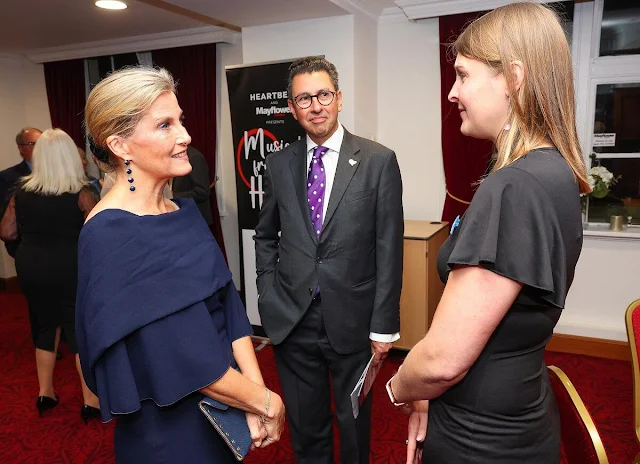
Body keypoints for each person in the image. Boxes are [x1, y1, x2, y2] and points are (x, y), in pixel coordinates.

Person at [386, 3, 591, 463]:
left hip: (480, 436)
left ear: (513, 78)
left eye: (463, 75)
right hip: (519, 412)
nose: (453, 93)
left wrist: (399, 386)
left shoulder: (513, 184)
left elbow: (442, 361)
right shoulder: (555, 174)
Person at [77, 66, 285, 463]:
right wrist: (267, 402)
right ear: (120, 145)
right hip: (168, 431)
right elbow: (181, 356)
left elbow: (230, 309)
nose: (185, 135)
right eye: (165, 125)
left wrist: (254, 397)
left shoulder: (181, 211)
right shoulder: (109, 234)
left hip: (224, 403)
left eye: (181, 120)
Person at [254, 56, 404, 464]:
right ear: (292, 107)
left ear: (338, 98)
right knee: (306, 428)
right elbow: (266, 235)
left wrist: (384, 324)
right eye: (304, 98)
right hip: (292, 320)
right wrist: (267, 292)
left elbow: (389, 247)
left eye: (323, 94)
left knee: (354, 427)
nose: (315, 105)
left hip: (354, 322)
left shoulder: (377, 161)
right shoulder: (279, 164)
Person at [0, 128, 100, 421]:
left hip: (31, 266)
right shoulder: (82, 191)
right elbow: (96, 232)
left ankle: (45, 393)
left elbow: (6, 232)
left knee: (45, 326)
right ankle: (90, 400)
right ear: (70, 155)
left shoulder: (20, 192)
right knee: (76, 327)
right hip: (70, 265)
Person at [0, 127, 41, 257]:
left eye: (42, 143)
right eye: (32, 144)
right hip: (27, 248)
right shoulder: (7, 177)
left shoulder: (59, 174)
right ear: (20, 148)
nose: (39, 148)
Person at [172, 145, 214, 226]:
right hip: (182, 219)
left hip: (196, 220)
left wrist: (173, 196)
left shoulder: (194, 157)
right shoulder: (174, 158)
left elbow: (202, 192)